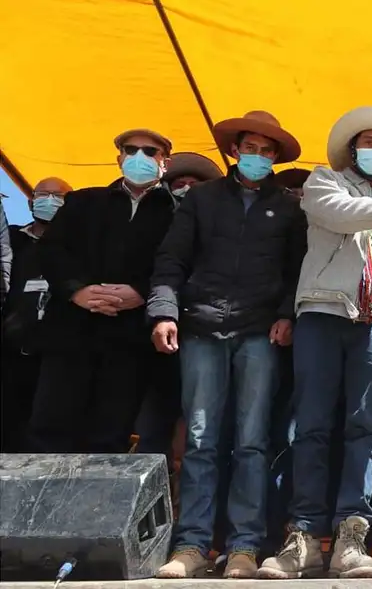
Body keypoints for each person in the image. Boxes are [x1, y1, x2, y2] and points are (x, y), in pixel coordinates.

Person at [260, 106, 372, 580]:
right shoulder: (326, 182)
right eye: (369, 143)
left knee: (367, 429)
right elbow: (340, 214)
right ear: (351, 149)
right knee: (313, 426)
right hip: (322, 312)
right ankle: (302, 536)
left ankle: (351, 536)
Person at [151, 111, 307, 579]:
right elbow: (170, 260)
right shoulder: (199, 199)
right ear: (235, 150)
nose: (257, 156)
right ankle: (192, 547)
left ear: (275, 157)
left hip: (260, 332)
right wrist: (163, 311)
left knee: (253, 443)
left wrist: (286, 313)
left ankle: (244, 547)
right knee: (199, 442)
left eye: (267, 150)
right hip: (200, 327)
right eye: (250, 148)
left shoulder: (289, 206)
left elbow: (296, 269)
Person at [29, 128, 176, 454]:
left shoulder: (176, 213)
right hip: (71, 336)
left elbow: (178, 262)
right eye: (131, 149)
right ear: (119, 157)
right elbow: (52, 251)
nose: (140, 157)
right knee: (50, 431)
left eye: (150, 151)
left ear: (165, 161)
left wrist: (141, 291)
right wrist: (77, 291)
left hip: (129, 343)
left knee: (110, 437)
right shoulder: (83, 200)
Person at [135, 152, 224, 459]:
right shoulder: (154, 220)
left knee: (203, 425)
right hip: (160, 337)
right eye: (180, 184)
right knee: (156, 422)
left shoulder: (222, 225)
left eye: (195, 184)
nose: (187, 189)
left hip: (209, 333)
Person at [1, 178, 72, 452]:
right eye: (43, 195)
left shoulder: (79, 247)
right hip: (10, 352)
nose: (50, 201)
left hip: (56, 356)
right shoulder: (12, 241)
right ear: (30, 202)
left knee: (45, 431)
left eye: (59, 196)